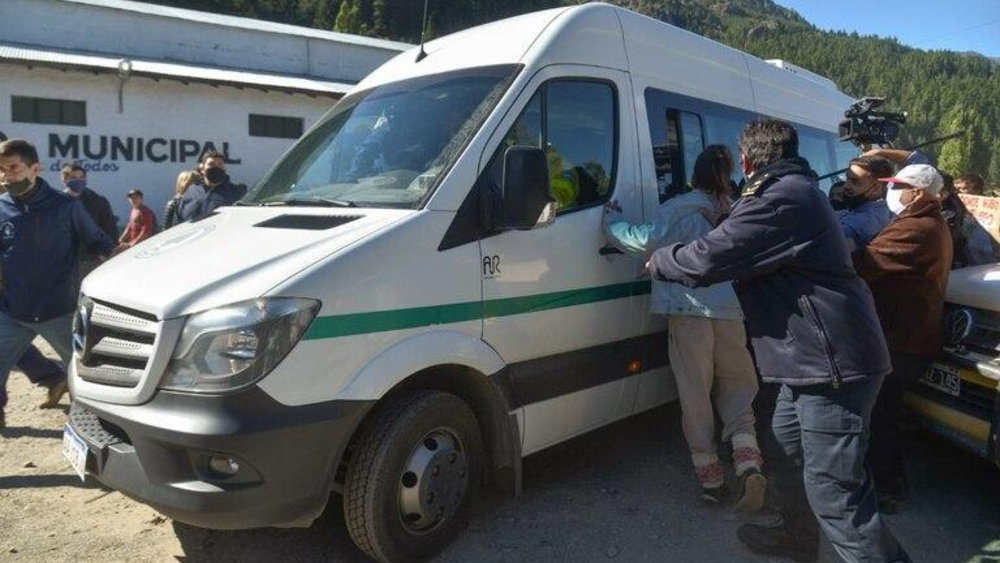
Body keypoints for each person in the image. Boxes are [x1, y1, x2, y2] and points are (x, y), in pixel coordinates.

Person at [648, 119, 910, 563]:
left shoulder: (781, 197)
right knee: (786, 454)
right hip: (806, 360)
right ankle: (796, 540)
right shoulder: (788, 193)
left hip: (832, 366)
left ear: (748, 159)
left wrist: (660, 260)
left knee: (836, 495)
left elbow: (710, 257)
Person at [604, 145, 766, 511]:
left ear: (695, 173)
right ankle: (748, 464)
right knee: (739, 391)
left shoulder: (679, 207)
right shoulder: (736, 209)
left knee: (696, 396)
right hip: (729, 309)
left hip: (688, 310)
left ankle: (712, 482)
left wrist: (611, 219)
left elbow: (639, 239)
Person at [854, 164, 952, 513]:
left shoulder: (917, 226)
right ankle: (887, 482)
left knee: (882, 414)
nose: (893, 192)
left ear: (920, 193)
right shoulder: (925, 222)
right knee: (885, 413)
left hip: (902, 337)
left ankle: (885, 488)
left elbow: (865, 263)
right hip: (906, 333)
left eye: (900, 186)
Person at [0, 139, 115, 429]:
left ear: (35, 168)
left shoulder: (65, 207)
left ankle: (103, 427)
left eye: (13, 168)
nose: (7, 176)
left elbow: (100, 242)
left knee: (86, 374)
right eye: (1, 170)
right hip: (12, 313)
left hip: (59, 312)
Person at [838, 155, 896, 252]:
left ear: (876, 187)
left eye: (855, 181)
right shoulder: (891, 210)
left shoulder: (867, 219)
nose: (846, 186)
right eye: (847, 179)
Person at [175, 150, 246, 223]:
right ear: (202, 169)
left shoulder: (235, 192)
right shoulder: (191, 190)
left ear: (225, 169)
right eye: (211, 164)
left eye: (220, 164)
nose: (216, 167)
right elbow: (179, 217)